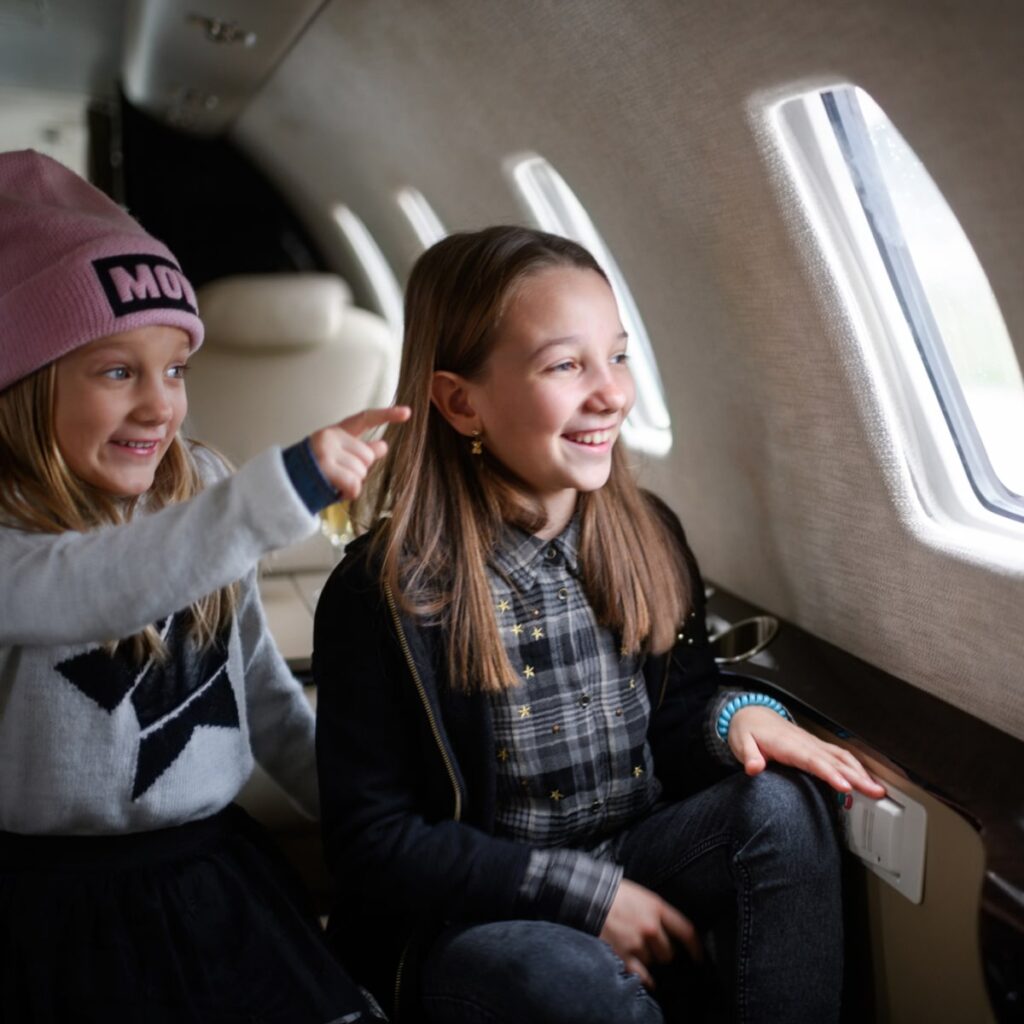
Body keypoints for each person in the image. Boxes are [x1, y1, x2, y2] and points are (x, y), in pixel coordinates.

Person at [313, 225, 886, 1024]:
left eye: (616, 355)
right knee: (567, 980)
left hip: (635, 852)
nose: (612, 392)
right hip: (472, 918)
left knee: (786, 809)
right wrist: (582, 896)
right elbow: (375, 845)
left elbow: (682, 710)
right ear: (460, 401)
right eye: (565, 365)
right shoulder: (381, 593)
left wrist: (736, 717)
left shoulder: (646, 534)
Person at [0, 149, 407, 1023]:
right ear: (24, 386)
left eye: (176, 369)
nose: (160, 406)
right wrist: (280, 489)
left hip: (213, 877)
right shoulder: (14, 536)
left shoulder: (203, 483)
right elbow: (99, 588)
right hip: (49, 912)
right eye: (118, 371)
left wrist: (363, 822)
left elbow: (258, 690)